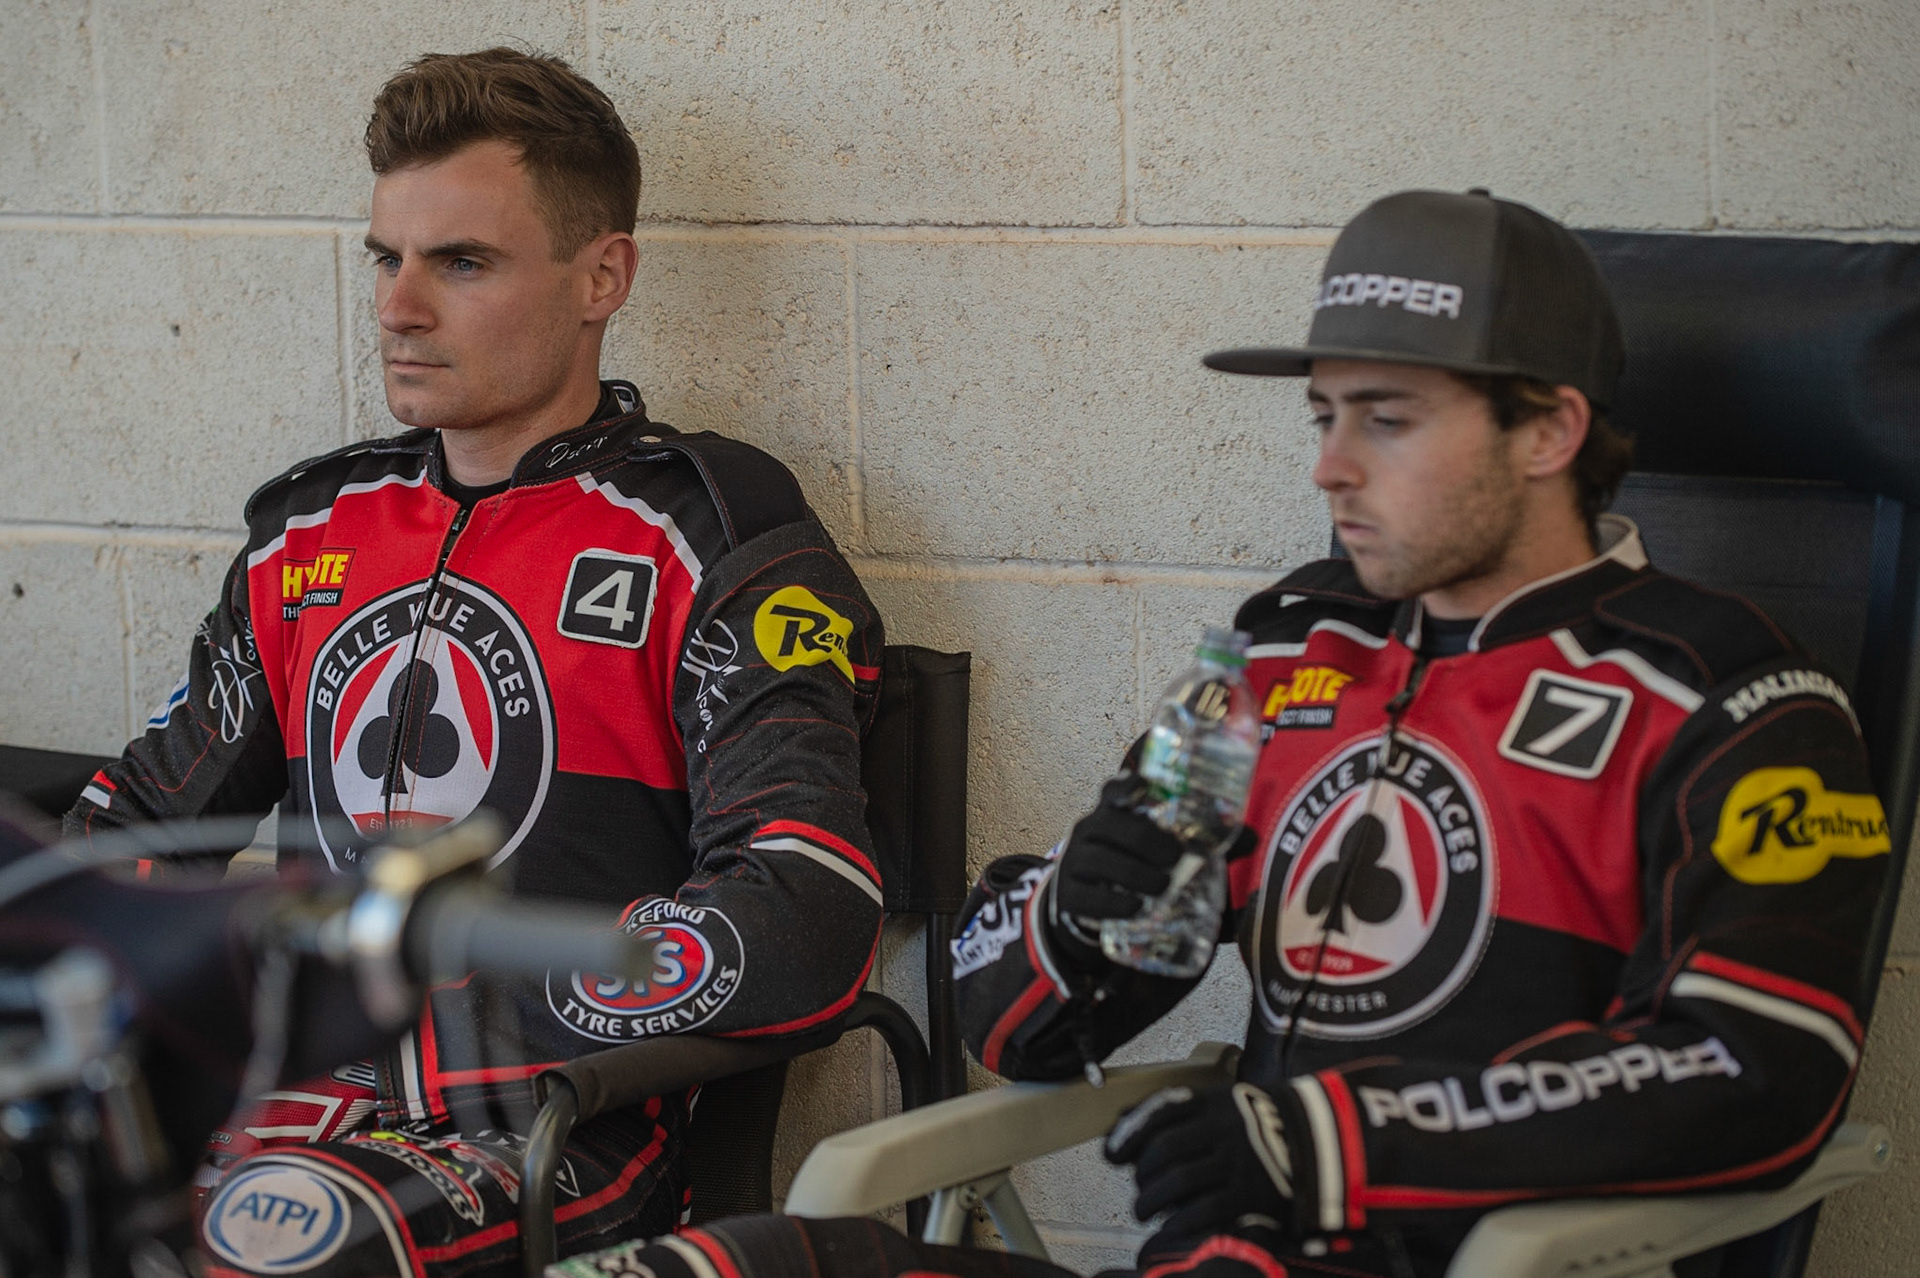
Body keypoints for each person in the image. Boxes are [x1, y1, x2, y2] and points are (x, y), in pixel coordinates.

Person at [553, 189, 1892, 1278]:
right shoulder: (1286, 658)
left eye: (1387, 418)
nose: (1329, 465)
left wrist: (1331, 1141)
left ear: (1548, 430)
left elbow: (1764, 1068)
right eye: (1325, 414)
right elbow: (1015, 1023)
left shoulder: (1736, 699)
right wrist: (1082, 914)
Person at [63, 48, 886, 1277]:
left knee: (242, 1250)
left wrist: (460, 1013)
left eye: (460, 263)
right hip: (293, 1089)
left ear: (603, 277)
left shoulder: (718, 540)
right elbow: (131, 826)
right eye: (384, 258)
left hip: (558, 1120)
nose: (398, 307)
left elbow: (805, 909)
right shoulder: (309, 533)